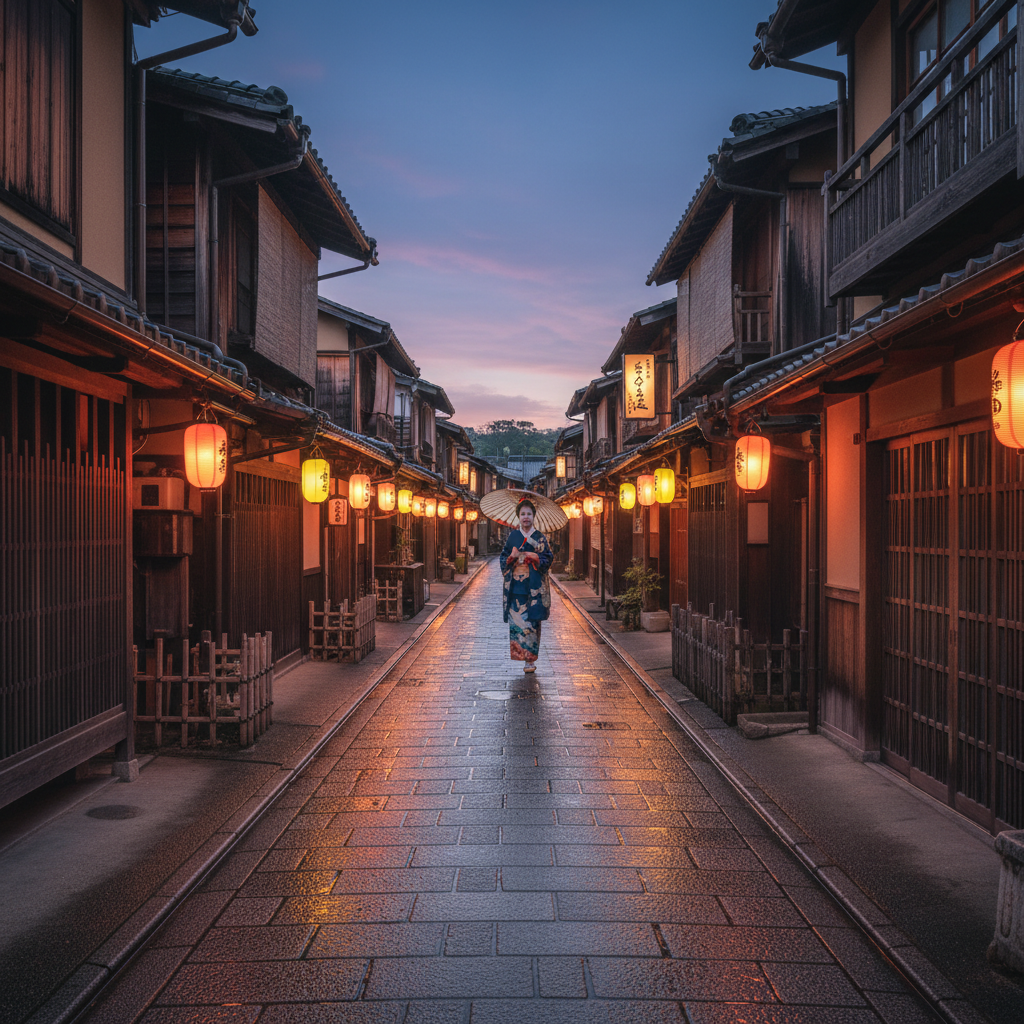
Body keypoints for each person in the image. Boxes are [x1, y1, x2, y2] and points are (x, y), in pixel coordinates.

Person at [500, 498, 553, 673]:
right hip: (516, 588)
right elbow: (503, 559)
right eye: (522, 514)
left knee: (532, 625)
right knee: (518, 623)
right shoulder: (513, 536)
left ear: (533, 516)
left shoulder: (540, 537)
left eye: (529, 514)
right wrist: (512, 557)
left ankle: (529, 661)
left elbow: (548, 558)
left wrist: (536, 557)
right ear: (518, 517)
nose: (526, 517)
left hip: (534, 588)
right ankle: (520, 655)